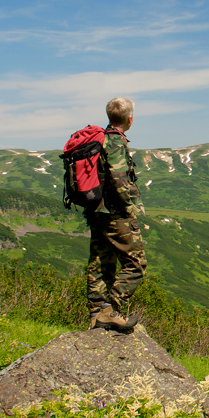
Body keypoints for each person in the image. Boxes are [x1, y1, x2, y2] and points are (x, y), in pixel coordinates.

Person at [87, 97, 147, 330]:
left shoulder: (98, 139)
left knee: (101, 262)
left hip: (96, 211)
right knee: (136, 264)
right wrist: (129, 209)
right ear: (130, 119)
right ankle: (111, 309)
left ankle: (96, 313)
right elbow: (119, 177)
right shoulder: (115, 143)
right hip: (114, 213)